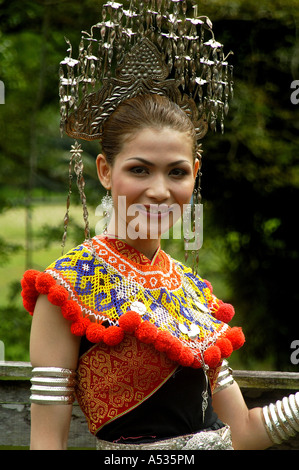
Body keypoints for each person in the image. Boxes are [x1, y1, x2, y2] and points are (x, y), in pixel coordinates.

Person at [21, 1, 298, 451]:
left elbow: (241, 432)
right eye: (139, 170)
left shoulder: (192, 292)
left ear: (195, 173)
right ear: (105, 171)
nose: (158, 190)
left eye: (176, 172)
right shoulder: (67, 290)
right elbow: (46, 444)